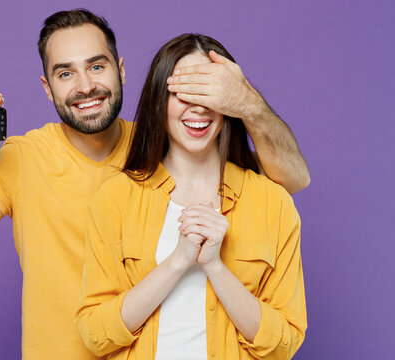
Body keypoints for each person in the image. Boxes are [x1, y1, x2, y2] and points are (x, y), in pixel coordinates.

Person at [0, 9, 309, 360]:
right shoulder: (22, 159)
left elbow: (289, 179)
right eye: (66, 73)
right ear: (47, 88)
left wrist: (246, 102)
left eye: (97, 66)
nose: (85, 86)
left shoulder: (169, 147)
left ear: (121, 69)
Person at [76, 34, 306, 359]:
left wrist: (214, 266)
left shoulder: (273, 203)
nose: (198, 106)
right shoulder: (114, 198)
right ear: (159, 101)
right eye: (184, 92)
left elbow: (283, 343)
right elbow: (96, 335)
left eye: (210, 92)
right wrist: (177, 262)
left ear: (231, 106)